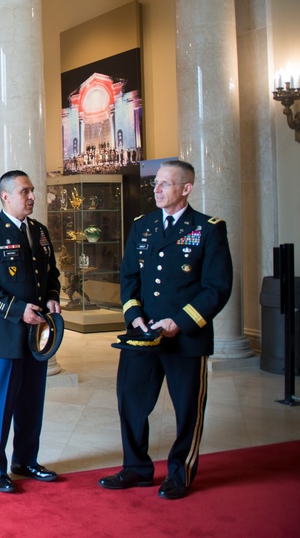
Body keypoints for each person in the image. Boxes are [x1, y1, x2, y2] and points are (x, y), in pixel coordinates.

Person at [99, 159, 232, 500]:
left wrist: (180, 322)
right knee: (130, 401)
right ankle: (136, 468)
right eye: (155, 183)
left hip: (185, 336)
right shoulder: (142, 225)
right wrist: (135, 316)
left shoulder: (208, 228)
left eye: (165, 184)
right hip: (143, 335)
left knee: (187, 409)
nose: (156, 190)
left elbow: (217, 287)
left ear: (185, 189)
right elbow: (129, 277)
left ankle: (180, 472)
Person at [0, 170, 61, 493]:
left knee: (32, 401)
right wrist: (20, 310)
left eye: (32, 191)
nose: (32, 196)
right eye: (25, 192)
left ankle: (26, 460)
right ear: (6, 196)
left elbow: (51, 273)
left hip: (37, 337)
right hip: (4, 334)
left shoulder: (40, 232)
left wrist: (52, 297)